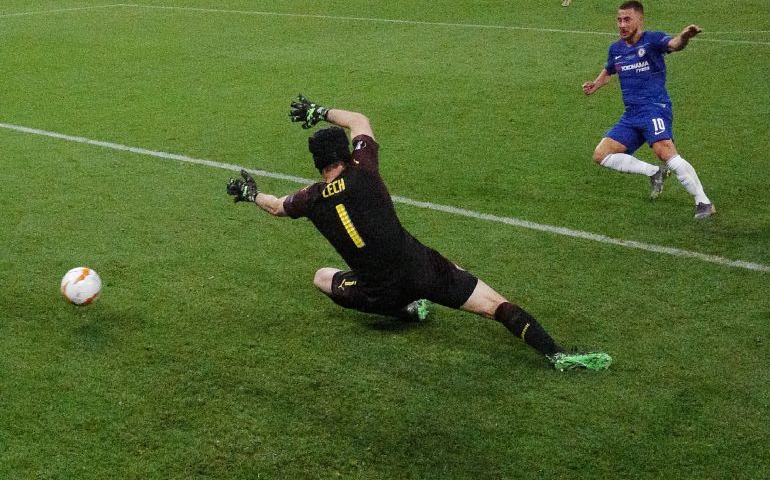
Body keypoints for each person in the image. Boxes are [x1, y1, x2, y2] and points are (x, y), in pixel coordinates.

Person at [224, 95, 612, 372]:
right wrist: (319, 111)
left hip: (377, 290)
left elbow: (276, 206)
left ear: (317, 163)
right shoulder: (363, 169)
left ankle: (406, 311)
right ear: (344, 154)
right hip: (422, 268)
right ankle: (556, 354)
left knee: (321, 277)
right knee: (495, 305)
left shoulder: (308, 199)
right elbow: (359, 119)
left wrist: (252, 193)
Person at [582, 1, 715, 219]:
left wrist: (685, 37)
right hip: (631, 114)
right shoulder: (616, 49)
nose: (622, 25)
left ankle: (703, 201)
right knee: (601, 155)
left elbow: (673, 44)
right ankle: (654, 172)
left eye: (627, 20)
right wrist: (596, 84)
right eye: (619, 20)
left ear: (639, 20)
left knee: (665, 152)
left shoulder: (652, 40)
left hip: (655, 108)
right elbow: (609, 69)